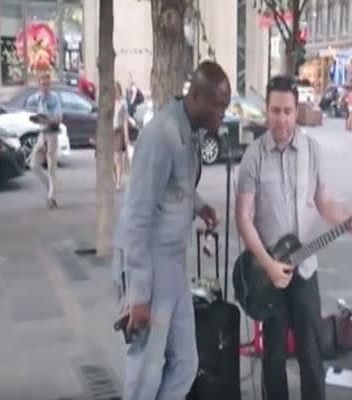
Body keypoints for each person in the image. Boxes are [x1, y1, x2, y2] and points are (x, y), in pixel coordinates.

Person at [235, 75, 352, 400]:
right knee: (274, 352)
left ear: (297, 111)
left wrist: (346, 217)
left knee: (311, 349)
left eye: (288, 111)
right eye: (276, 111)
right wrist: (266, 264)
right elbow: (243, 217)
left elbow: (323, 201)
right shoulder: (253, 156)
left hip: (305, 267)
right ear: (267, 110)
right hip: (269, 272)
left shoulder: (312, 151)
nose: (281, 119)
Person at [112, 61, 230, 400]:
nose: (223, 114)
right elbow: (137, 217)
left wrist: (198, 205)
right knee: (146, 372)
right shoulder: (162, 135)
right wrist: (138, 294)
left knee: (186, 363)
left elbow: (175, 187)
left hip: (174, 263)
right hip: (149, 263)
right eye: (218, 105)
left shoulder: (190, 134)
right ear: (195, 96)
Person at [29, 72, 62, 209]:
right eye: (43, 84)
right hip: (42, 133)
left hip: (52, 133)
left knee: (51, 166)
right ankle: (51, 187)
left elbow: (59, 118)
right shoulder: (37, 98)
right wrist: (36, 119)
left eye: (47, 84)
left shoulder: (54, 99)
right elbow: (30, 108)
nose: (45, 87)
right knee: (33, 165)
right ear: (39, 85)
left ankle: (51, 197)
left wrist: (46, 119)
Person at [113, 81, 130, 190]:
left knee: (118, 157)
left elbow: (125, 120)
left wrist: (126, 135)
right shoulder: (108, 103)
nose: (115, 93)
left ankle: (118, 181)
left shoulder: (123, 104)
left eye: (117, 90)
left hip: (118, 132)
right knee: (112, 160)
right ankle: (115, 177)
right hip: (109, 132)